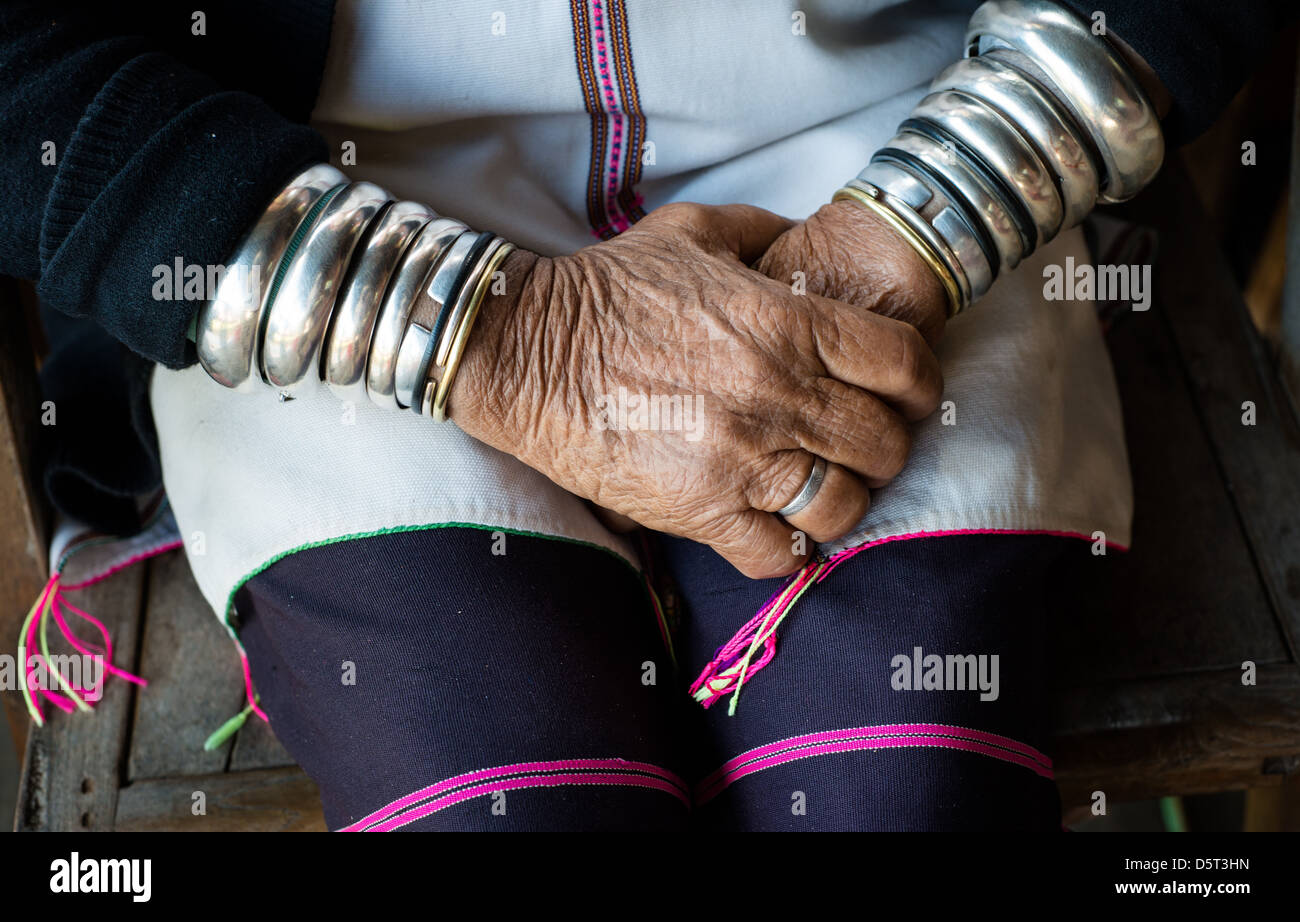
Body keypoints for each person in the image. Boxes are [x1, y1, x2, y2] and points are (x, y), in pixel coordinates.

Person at [2, 0, 1293, 830]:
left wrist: (938, 207)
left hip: (887, 134)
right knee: (508, 808)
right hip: (313, 189)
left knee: (896, 792)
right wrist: (510, 342)